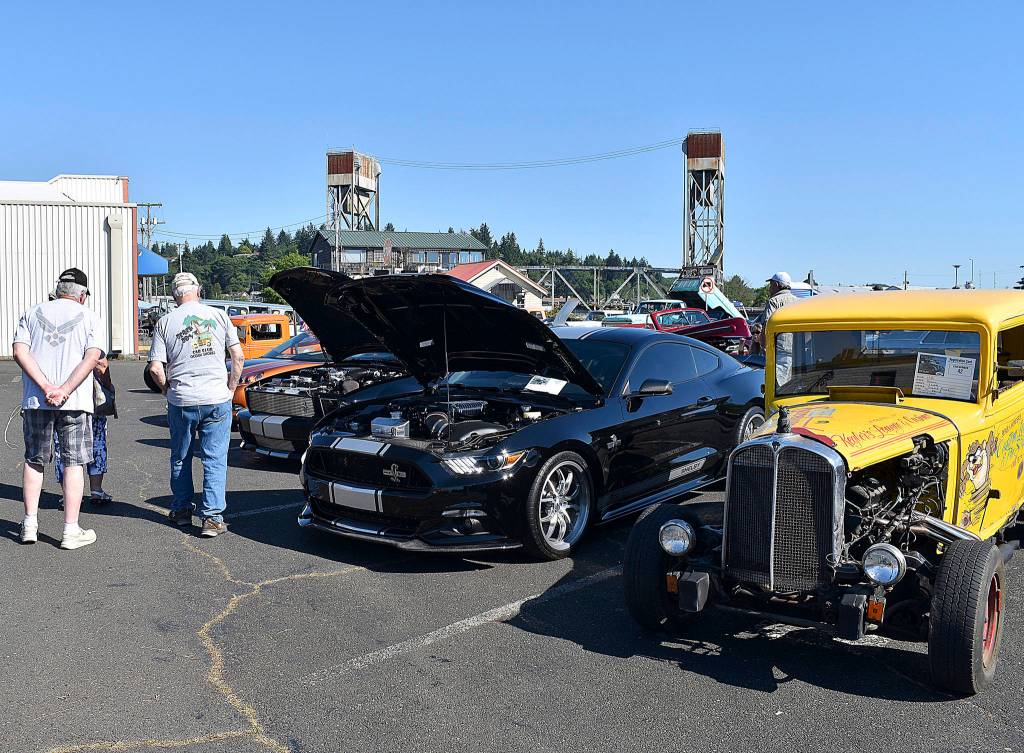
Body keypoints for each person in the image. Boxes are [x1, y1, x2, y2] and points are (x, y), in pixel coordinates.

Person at [12, 268, 105, 549]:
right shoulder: (89, 317)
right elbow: (93, 357)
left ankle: (29, 524)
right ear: (82, 294)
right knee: (74, 462)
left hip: (37, 400)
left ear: (58, 290)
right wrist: (63, 389)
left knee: (34, 460)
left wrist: (45, 387)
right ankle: (70, 530)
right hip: (74, 401)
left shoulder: (33, 312)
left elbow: (19, 350)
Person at [147, 272, 244, 537]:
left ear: (174, 296)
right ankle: (212, 518)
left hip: (182, 399)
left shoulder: (165, 322)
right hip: (216, 397)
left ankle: (180, 510)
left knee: (181, 456)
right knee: (214, 459)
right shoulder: (219, 316)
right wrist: (231, 388)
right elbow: (238, 355)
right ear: (198, 290)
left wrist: (167, 390)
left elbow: (156, 368)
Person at [54, 357, 114, 503]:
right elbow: (101, 365)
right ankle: (96, 490)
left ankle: (68, 494)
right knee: (96, 441)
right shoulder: (88, 334)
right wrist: (108, 385)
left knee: (63, 447)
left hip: (61, 399)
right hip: (89, 399)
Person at [760, 271, 800, 386]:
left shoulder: (773, 301)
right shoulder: (797, 301)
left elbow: (767, 325)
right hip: (796, 351)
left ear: (776, 285)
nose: (769, 289)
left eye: (770, 285)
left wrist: (763, 346)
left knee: (778, 386)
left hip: (779, 350)